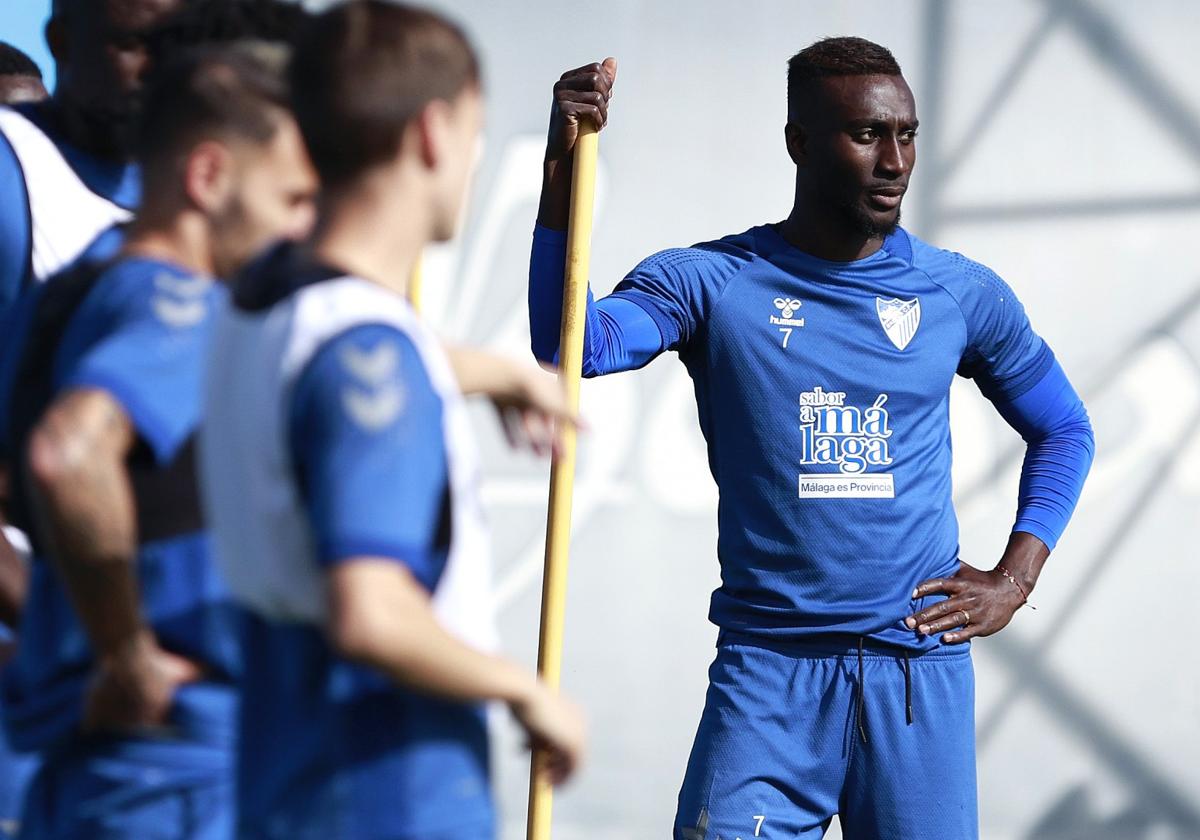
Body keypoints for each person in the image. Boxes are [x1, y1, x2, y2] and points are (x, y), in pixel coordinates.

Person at [529, 38, 1095, 839]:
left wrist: (1015, 578)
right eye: (867, 135)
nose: (895, 160)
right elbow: (571, 345)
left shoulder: (957, 292)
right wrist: (563, 167)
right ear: (798, 142)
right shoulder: (711, 280)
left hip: (915, 673)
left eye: (907, 134)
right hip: (770, 675)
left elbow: (1065, 427)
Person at [201, 4, 586, 838]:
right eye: (478, 135)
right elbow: (371, 613)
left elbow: (350, 353)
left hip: (281, 777)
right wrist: (522, 690)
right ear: (434, 133)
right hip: (387, 790)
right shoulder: (365, 355)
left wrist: (499, 375)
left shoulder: (256, 300)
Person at [0, 43, 318, 838]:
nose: (297, 228)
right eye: (287, 198)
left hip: (89, 768)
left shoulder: (74, 294)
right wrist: (126, 653)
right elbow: (68, 454)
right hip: (169, 778)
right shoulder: (181, 302)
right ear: (208, 179)